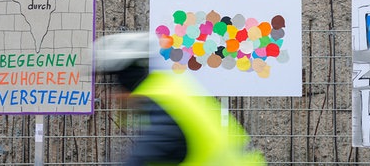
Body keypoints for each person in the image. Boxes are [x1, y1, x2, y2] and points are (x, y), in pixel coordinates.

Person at [93, 32, 266, 166]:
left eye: (111, 86)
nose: (110, 96)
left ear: (125, 84)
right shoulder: (167, 89)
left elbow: (142, 158)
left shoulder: (164, 108)